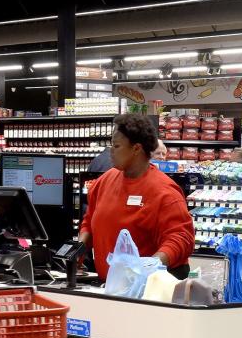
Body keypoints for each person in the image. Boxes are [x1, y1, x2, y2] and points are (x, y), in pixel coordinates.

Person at [79, 114, 194, 280]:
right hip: (110, 288)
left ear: (136, 149)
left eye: (116, 146)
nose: (111, 151)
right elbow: (89, 221)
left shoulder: (165, 192)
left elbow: (181, 238)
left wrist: (147, 268)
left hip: (146, 292)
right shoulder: (104, 181)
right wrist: (79, 248)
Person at [88, 138, 167, 172]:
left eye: (164, 154)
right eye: (158, 153)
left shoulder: (95, 160)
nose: (161, 157)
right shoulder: (123, 164)